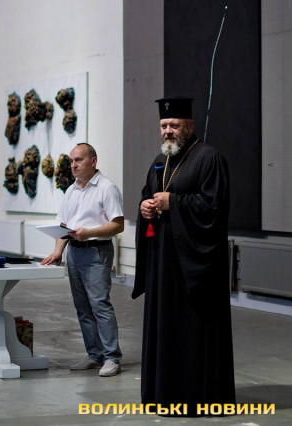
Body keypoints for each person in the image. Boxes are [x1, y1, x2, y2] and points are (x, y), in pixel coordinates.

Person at [133, 96, 235, 413]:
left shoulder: (208, 158)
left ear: (189, 125)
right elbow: (149, 195)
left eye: (174, 125)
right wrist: (145, 207)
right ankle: (163, 393)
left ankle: (195, 398)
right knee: (165, 330)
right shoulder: (159, 161)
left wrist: (173, 203)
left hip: (194, 267)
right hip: (163, 264)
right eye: (164, 125)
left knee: (190, 332)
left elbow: (214, 209)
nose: (168, 131)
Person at [41, 143, 124, 377]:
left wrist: (89, 233)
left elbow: (118, 225)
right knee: (83, 307)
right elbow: (64, 225)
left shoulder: (107, 188)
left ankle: (112, 357)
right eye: (71, 161)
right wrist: (58, 251)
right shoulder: (71, 190)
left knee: (100, 305)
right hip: (74, 252)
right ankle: (95, 355)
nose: (73, 165)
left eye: (78, 160)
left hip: (96, 251)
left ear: (93, 161)